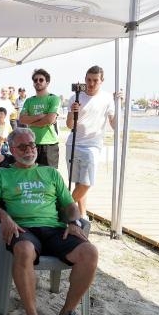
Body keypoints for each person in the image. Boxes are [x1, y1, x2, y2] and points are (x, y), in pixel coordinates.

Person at [0, 128, 97, 315]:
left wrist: (73, 222)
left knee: (89, 252)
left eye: (32, 145)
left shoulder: (51, 173)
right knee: (23, 250)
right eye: (22, 146)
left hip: (54, 229)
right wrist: (4, 216)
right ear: (12, 149)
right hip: (23, 228)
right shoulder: (2, 174)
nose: (29, 150)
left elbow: (70, 205)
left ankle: (66, 314)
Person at [66, 65, 116, 217]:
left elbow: (114, 125)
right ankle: (82, 215)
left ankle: (63, 208)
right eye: (88, 80)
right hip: (73, 144)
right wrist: (73, 112)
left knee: (87, 183)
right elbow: (69, 125)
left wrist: (120, 105)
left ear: (102, 80)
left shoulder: (107, 98)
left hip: (93, 146)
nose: (91, 83)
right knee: (78, 182)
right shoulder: (75, 97)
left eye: (95, 80)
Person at [19, 69, 61, 168]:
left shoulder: (54, 98)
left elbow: (49, 120)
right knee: (32, 173)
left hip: (49, 144)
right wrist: (40, 116)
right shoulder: (29, 101)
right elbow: (22, 119)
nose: (38, 82)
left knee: (49, 175)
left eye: (41, 80)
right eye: (35, 80)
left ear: (47, 82)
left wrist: (31, 122)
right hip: (32, 143)